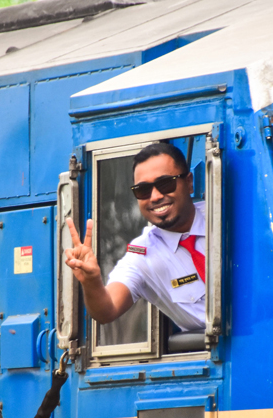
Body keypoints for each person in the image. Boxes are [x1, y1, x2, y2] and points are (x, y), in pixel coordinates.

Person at [64, 142, 206, 332]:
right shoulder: (142, 254)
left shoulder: (227, 215)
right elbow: (107, 310)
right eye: (143, 190)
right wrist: (91, 281)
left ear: (189, 182)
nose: (155, 197)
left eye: (165, 183)